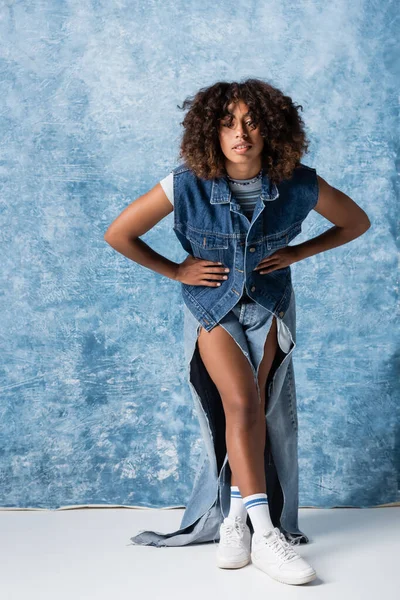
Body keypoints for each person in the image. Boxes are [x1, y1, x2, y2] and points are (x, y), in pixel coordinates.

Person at [104, 78, 371, 586]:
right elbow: (119, 233)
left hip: (268, 305)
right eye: (228, 123)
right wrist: (177, 270)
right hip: (212, 308)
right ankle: (266, 534)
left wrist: (297, 252)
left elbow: (355, 222)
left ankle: (233, 521)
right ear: (212, 132)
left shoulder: (298, 183)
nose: (240, 133)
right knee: (241, 405)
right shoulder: (183, 184)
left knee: (259, 409)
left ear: (271, 130)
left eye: (251, 122)